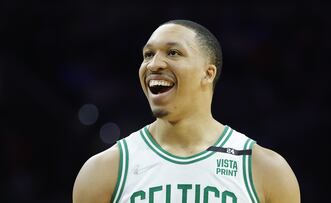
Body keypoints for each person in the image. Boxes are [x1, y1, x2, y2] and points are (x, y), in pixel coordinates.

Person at [73, 19, 300, 203]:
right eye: (148, 55)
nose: (154, 65)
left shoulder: (266, 169)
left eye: (173, 53)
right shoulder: (104, 170)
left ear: (208, 73)